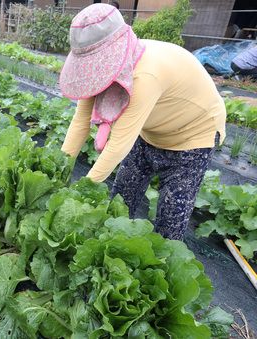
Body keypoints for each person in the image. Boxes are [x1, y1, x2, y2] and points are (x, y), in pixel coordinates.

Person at [59, 3, 226, 240]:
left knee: (170, 222)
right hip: (150, 130)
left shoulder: (145, 75)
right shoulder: (100, 74)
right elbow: (79, 123)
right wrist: (58, 173)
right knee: (120, 200)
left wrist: (79, 191)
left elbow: (118, 144)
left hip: (192, 135)